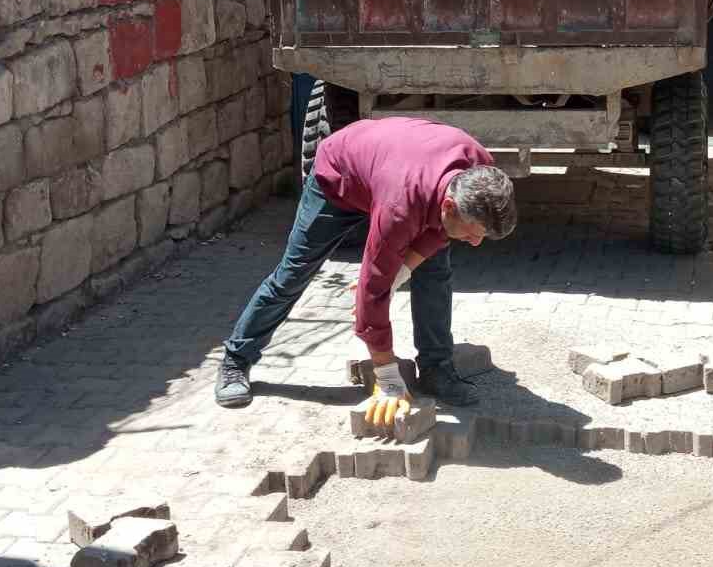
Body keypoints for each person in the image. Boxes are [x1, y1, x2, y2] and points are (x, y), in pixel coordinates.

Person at [215, 116, 517, 425]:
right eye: (473, 232)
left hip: (396, 172)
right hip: (340, 176)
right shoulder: (399, 210)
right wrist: (386, 374)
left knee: (435, 274)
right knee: (293, 274)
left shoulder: (478, 171)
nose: (476, 243)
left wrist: (406, 269)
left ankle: (436, 370)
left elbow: (438, 231)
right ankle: (236, 360)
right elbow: (372, 291)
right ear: (450, 206)